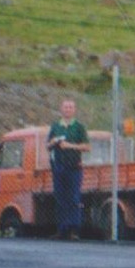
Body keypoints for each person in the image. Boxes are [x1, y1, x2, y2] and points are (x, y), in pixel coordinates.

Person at [47, 98, 91, 240]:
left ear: (74, 110)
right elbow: (47, 146)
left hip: (74, 168)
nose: (68, 110)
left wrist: (70, 146)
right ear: (61, 109)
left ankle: (74, 230)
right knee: (60, 198)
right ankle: (62, 229)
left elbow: (87, 147)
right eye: (66, 107)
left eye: (70, 107)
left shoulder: (79, 127)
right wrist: (53, 142)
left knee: (74, 198)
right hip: (59, 168)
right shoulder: (55, 127)